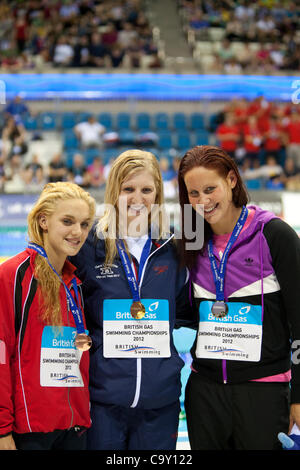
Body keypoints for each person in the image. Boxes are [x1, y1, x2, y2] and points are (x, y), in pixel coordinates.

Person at [177, 145, 300, 450]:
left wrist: (299, 397)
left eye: (210, 189)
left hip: (263, 392)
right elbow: (182, 309)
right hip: (204, 394)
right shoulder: (191, 240)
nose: (203, 201)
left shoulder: (273, 234)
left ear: (231, 180)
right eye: (193, 193)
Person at [70, 149, 191, 450]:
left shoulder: (174, 249)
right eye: (128, 189)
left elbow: (182, 309)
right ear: (114, 191)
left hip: (160, 403)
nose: (138, 198)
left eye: (147, 190)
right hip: (102, 402)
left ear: (158, 194)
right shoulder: (89, 247)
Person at [0, 182, 96, 450]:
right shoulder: (13, 275)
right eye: (68, 221)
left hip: (75, 427)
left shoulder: (74, 282)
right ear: (43, 220)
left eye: (85, 224)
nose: (78, 232)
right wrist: (2, 430)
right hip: (30, 432)